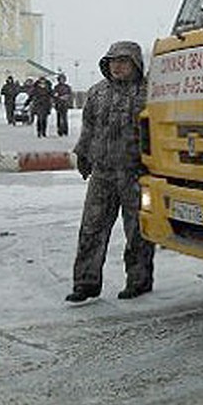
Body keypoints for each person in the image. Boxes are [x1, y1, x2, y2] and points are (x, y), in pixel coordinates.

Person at [67, 41, 153, 302]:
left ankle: (139, 280)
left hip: (135, 173)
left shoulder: (149, 93)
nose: (117, 66)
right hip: (102, 173)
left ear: (135, 64)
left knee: (138, 231)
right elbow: (89, 128)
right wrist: (83, 154)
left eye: (123, 61)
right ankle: (86, 282)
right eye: (113, 61)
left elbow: (156, 132)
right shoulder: (97, 93)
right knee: (91, 229)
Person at [53, 73, 73, 137]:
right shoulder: (56, 87)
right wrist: (58, 97)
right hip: (58, 104)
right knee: (59, 118)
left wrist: (67, 98)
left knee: (64, 118)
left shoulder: (67, 87)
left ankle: (65, 130)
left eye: (63, 79)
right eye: (61, 79)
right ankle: (59, 131)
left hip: (65, 104)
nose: (62, 80)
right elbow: (54, 95)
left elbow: (70, 95)